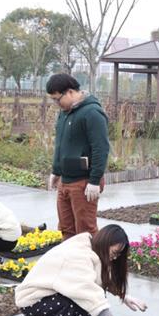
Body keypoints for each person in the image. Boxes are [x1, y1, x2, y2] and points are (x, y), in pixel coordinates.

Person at [15, 225, 147, 316]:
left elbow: (100, 279)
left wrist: (124, 296)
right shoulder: (78, 256)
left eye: (118, 255)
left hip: (47, 297)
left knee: (89, 297)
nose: (115, 258)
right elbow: (89, 294)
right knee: (79, 302)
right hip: (32, 302)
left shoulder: (91, 248)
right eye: (114, 253)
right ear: (104, 242)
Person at [46, 74, 110, 240]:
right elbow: (60, 144)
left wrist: (95, 180)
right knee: (66, 230)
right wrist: (56, 170)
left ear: (70, 92)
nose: (56, 104)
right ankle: (71, 264)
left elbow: (100, 148)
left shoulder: (92, 113)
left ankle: (94, 264)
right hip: (65, 182)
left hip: (83, 183)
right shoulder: (64, 113)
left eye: (57, 99)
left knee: (85, 231)